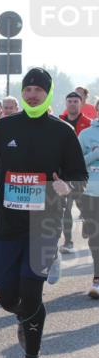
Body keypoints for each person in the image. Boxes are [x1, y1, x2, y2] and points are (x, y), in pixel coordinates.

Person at [0, 68, 88, 358]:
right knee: (7, 297)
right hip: (8, 224)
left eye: (38, 90)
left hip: (44, 226)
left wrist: (67, 186)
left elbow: (80, 176)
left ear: (48, 94)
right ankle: (24, 318)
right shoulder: (4, 127)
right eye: (28, 90)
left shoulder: (62, 131)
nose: (32, 95)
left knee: (32, 295)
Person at [58, 91, 93, 253]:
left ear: (81, 104)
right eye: (70, 101)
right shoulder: (59, 122)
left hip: (83, 174)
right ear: (66, 103)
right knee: (66, 208)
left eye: (75, 101)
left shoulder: (89, 124)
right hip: (64, 173)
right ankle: (68, 242)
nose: (72, 104)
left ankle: (88, 223)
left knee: (85, 206)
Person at [78, 113, 99, 298]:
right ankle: (97, 279)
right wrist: (96, 153)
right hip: (92, 193)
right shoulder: (86, 134)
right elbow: (77, 163)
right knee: (96, 239)